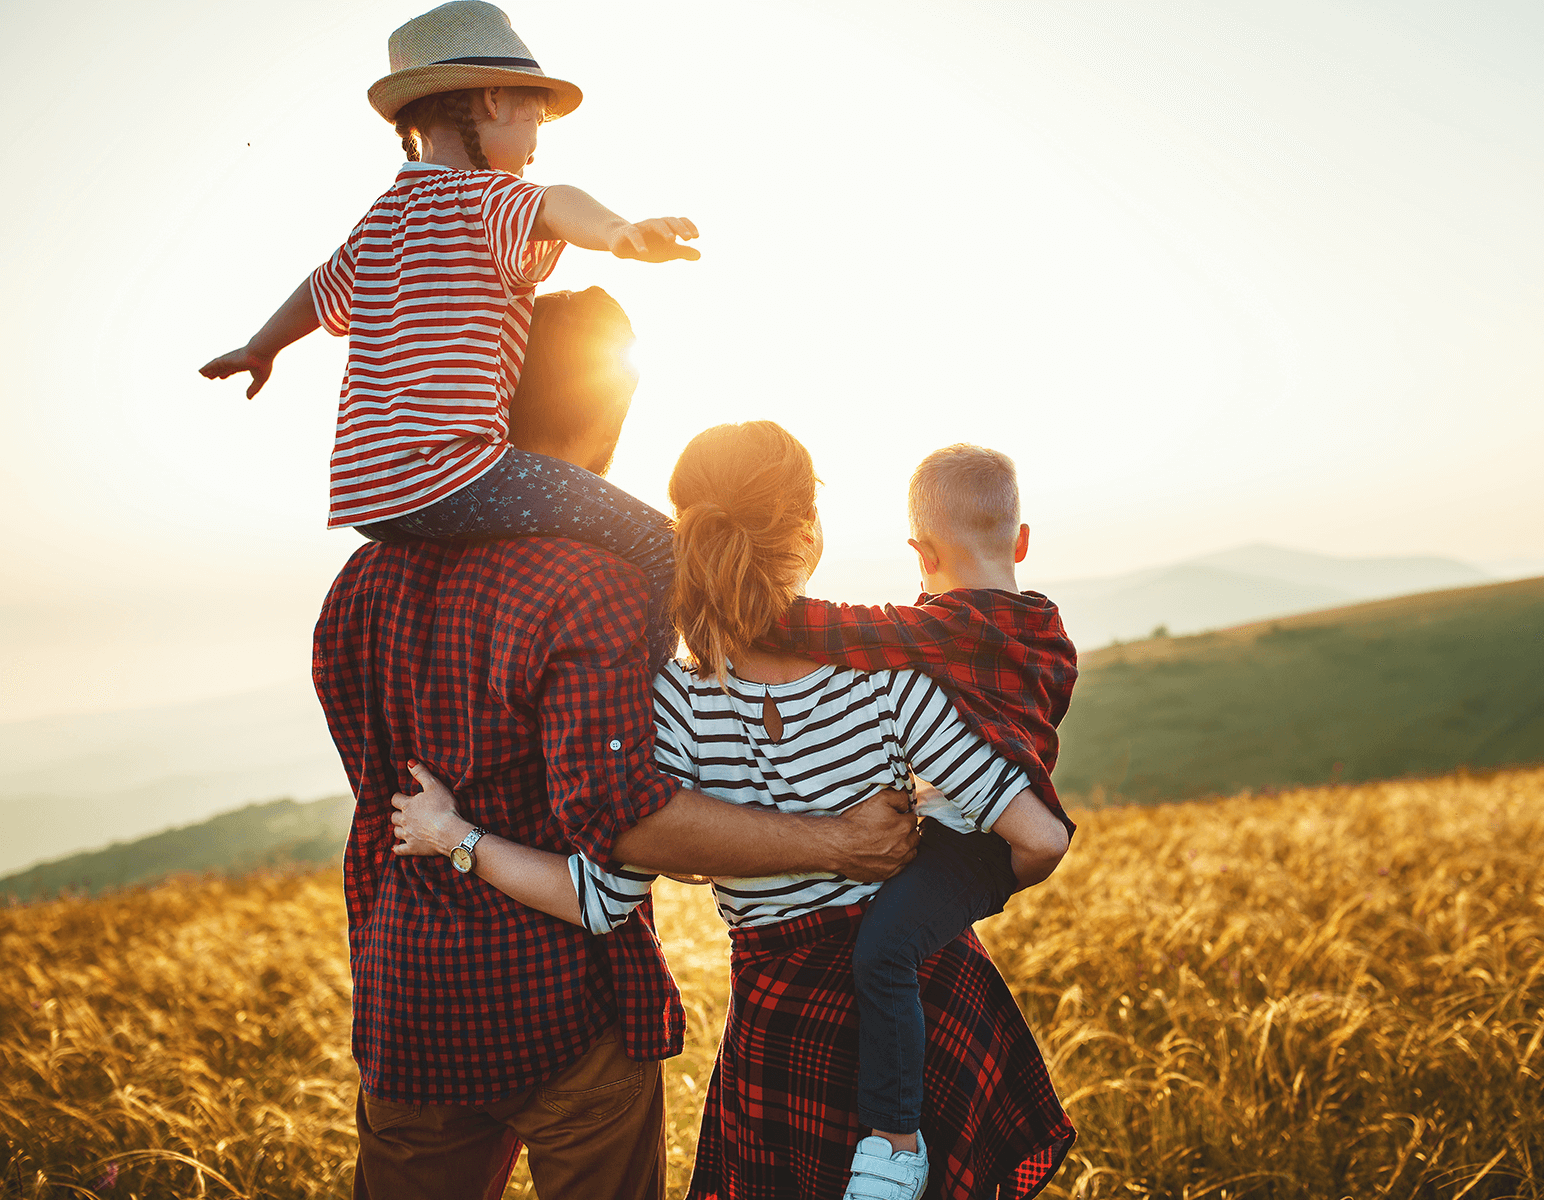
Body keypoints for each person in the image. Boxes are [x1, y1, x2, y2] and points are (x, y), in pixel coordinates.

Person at [315, 286, 920, 1200]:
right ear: (608, 417)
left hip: (409, 999)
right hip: (561, 1008)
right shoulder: (594, 583)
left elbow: (377, 790)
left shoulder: (357, 584)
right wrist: (839, 841)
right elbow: (622, 820)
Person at [394, 420, 1076, 1200]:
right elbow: (1026, 828)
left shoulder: (672, 710)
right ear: (809, 536)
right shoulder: (891, 675)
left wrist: (454, 836)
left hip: (782, 1031)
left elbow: (597, 901)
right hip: (929, 1002)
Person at [199, 0, 698, 660]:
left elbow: (319, 290)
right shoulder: (489, 200)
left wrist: (260, 348)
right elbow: (555, 203)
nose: (535, 145)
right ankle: (660, 707)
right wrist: (617, 232)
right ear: (494, 99)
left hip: (370, 497)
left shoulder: (381, 219)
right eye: (535, 121)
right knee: (663, 546)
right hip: (456, 475)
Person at [755, 443, 1079, 1188]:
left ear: (921, 553)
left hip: (980, 844)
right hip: (984, 838)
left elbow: (829, 628)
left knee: (884, 951)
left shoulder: (940, 628)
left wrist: (736, 606)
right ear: (1022, 541)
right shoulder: (1049, 631)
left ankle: (895, 1147)